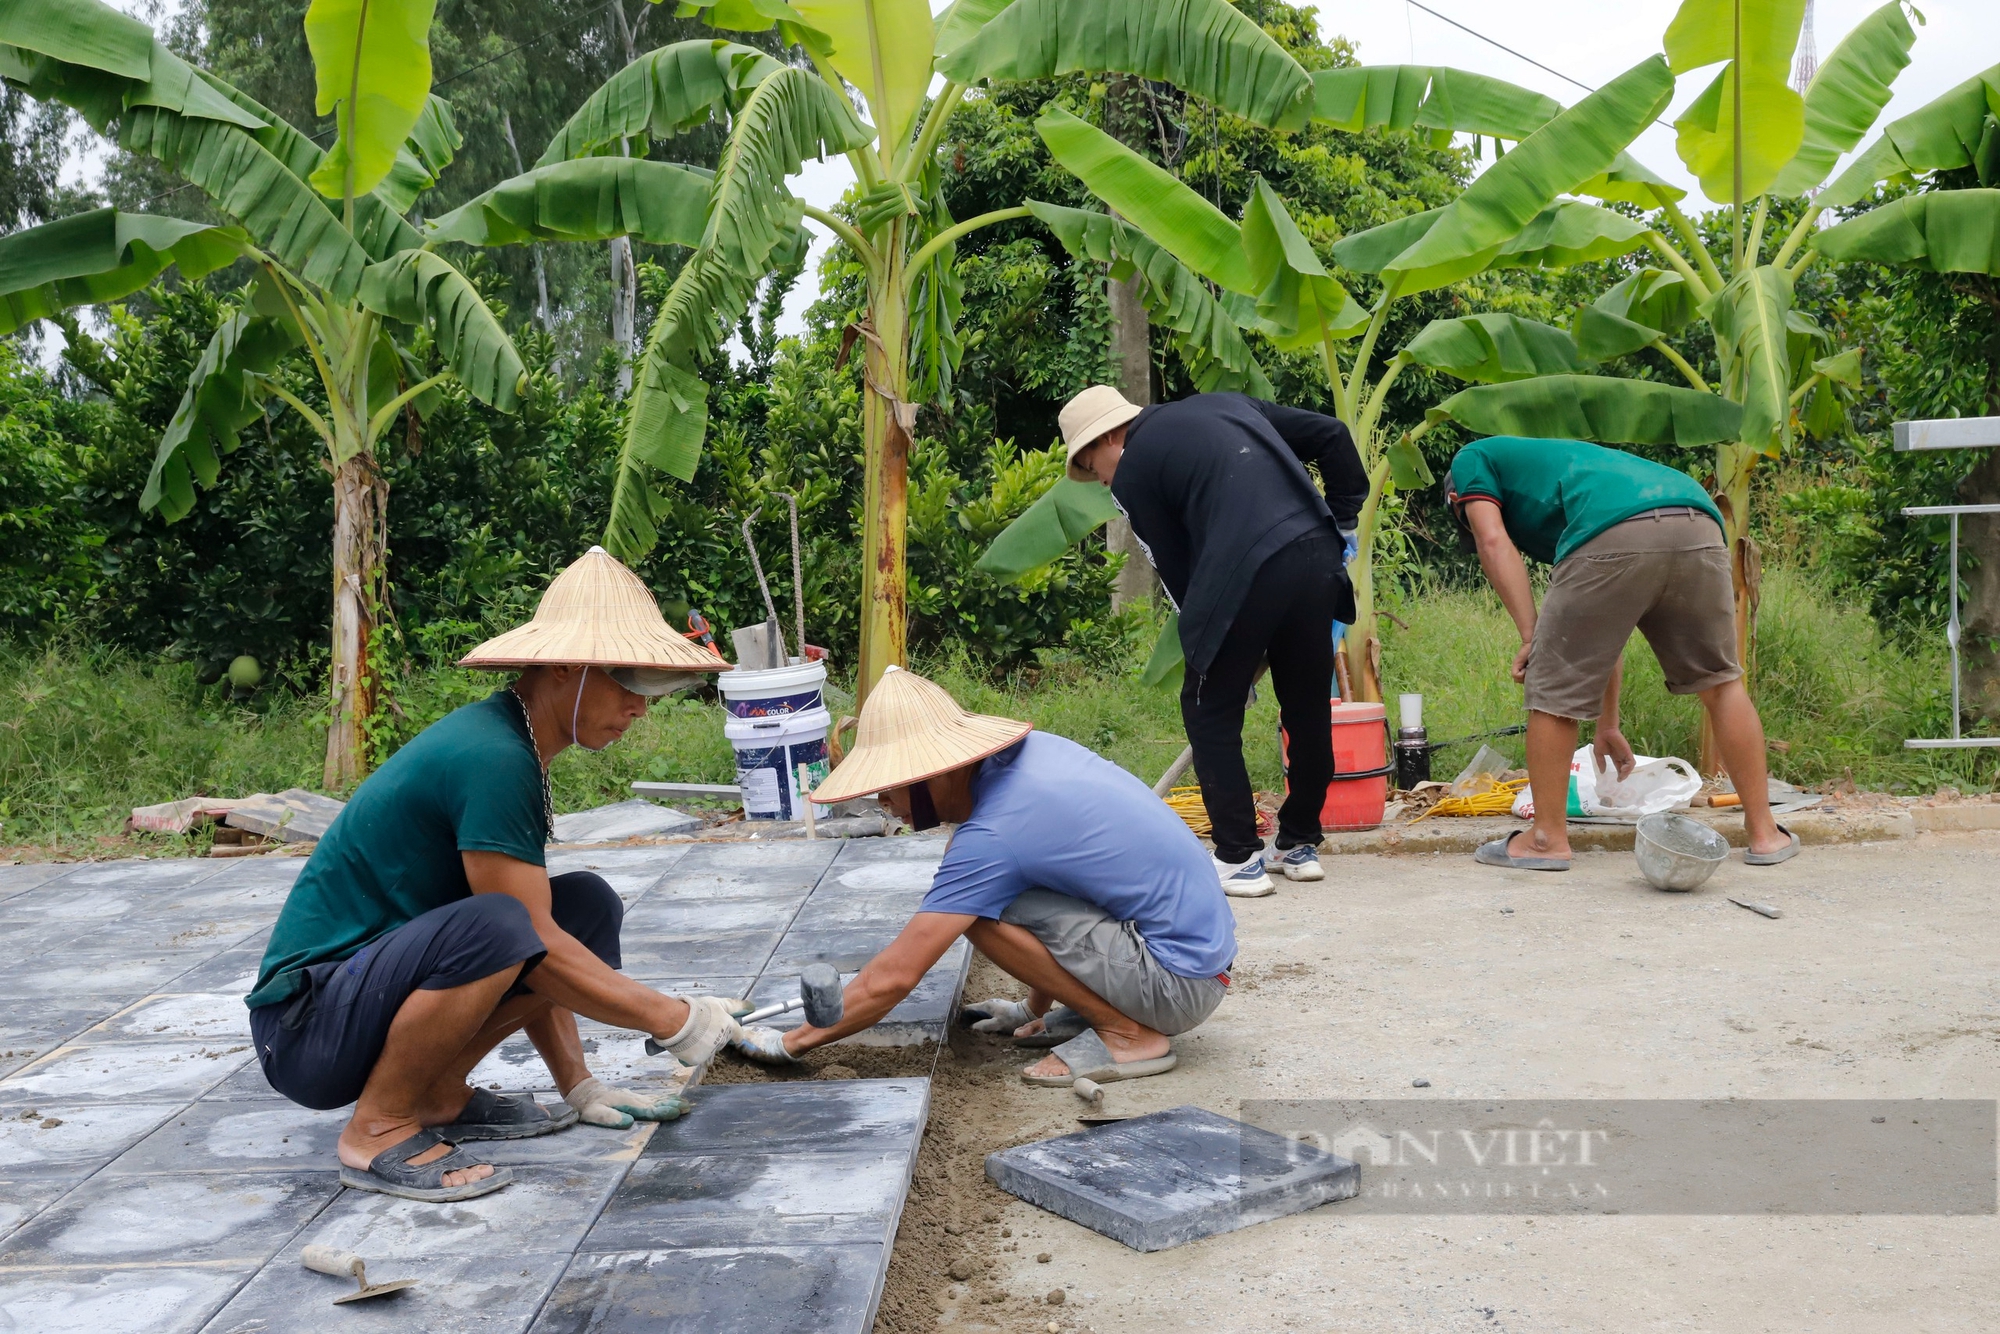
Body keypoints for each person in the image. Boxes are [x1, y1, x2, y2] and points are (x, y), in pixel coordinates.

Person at [244, 548, 746, 1203]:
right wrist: (675, 1019)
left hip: (361, 1002)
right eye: (630, 683)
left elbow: (539, 942)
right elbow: (518, 934)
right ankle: (378, 1127)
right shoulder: (493, 757)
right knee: (503, 925)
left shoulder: (517, 745)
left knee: (584, 908)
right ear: (567, 668)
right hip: (306, 1029)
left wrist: (579, 1083)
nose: (640, 708)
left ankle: (439, 1094)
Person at [730, 666, 1236, 1088]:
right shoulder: (1030, 759)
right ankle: (1096, 1010)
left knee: (974, 914)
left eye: (890, 788)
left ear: (937, 772)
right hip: (1190, 959)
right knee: (986, 891)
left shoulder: (996, 835)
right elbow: (1058, 879)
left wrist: (788, 1041)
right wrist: (1033, 1004)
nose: (885, 804)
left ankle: (1128, 1035)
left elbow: (898, 974)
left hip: (1178, 984)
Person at [1060, 384, 1368, 897]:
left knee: (1207, 709)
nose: (1102, 481)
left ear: (1111, 437)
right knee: (1306, 706)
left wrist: (1212, 648)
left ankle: (1238, 856)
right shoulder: (1229, 404)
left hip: (1246, 571)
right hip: (1319, 554)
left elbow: (1177, 568)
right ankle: (1298, 843)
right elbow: (1332, 436)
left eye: (1095, 468)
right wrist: (1343, 518)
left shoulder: (1134, 471)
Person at [1446, 436, 1799, 871]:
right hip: (1698, 520)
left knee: (1552, 694)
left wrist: (1529, 637)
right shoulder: (1576, 469)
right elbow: (1604, 631)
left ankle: (1544, 840)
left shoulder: (1472, 460)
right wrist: (1607, 724)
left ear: (1457, 498)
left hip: (1613, 526)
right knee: (1722, 682)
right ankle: (1766, 834)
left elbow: (1493, 540)